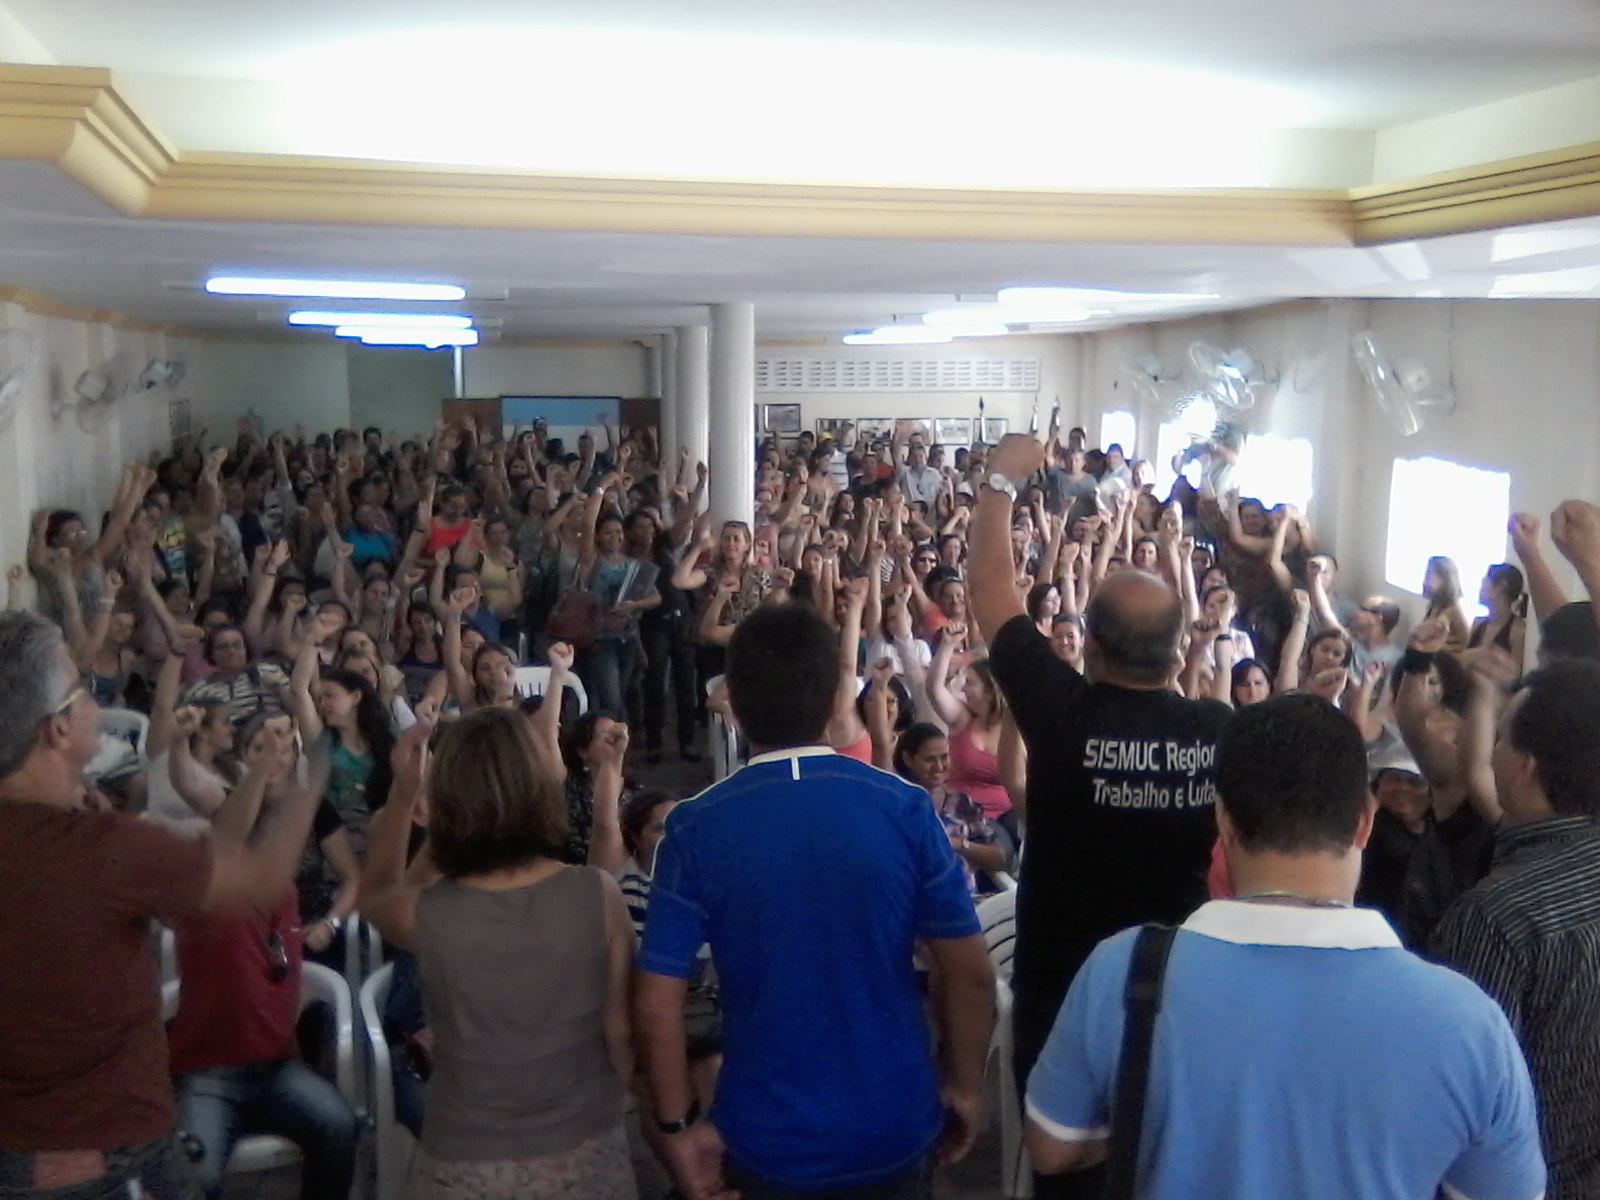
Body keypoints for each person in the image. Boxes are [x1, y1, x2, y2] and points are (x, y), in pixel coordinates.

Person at [1025, 694, 1546, 1200]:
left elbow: (1052, 1147)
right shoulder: (1469, 1021)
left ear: (1224, 820)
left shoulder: (1125, 970)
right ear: (1364, 820)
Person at [635, 602, 994, 1200]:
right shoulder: (906, 809)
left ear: (735, 704)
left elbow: (656, 1001)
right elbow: (971, 977)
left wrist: (677, 1127)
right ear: (835, 697)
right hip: (897, 1121)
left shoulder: (694, 827)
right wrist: (966, 1088)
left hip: (765, 1135)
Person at [967, 434, 1230, 1200]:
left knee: (1067, 1176)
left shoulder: (1063, 713)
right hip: (1179, 998)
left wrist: (1000, 481)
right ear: (1178, 654)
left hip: (1063, 998)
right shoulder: (1217, 734)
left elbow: (991, 594)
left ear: (1092, 652)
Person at [0, 611, 323, 1200]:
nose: (95, 702)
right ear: (57, 729)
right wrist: (313, 766)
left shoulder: (84, 835)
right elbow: (260, 882)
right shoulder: (104, 848)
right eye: (82, 690)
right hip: (108, 1147)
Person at [360, 707, 638, 1200]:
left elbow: (378, 891)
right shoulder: (597, 894)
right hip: (586, 1147)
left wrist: (405, 791)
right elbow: (620, 1035)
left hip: (466, 1159)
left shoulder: (429, 912)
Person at [1432, 658, 1600, 1200]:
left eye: (1501, 737)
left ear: (1524, 767)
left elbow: (1458, 1099)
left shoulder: (1496, 916)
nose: (1492, 750)